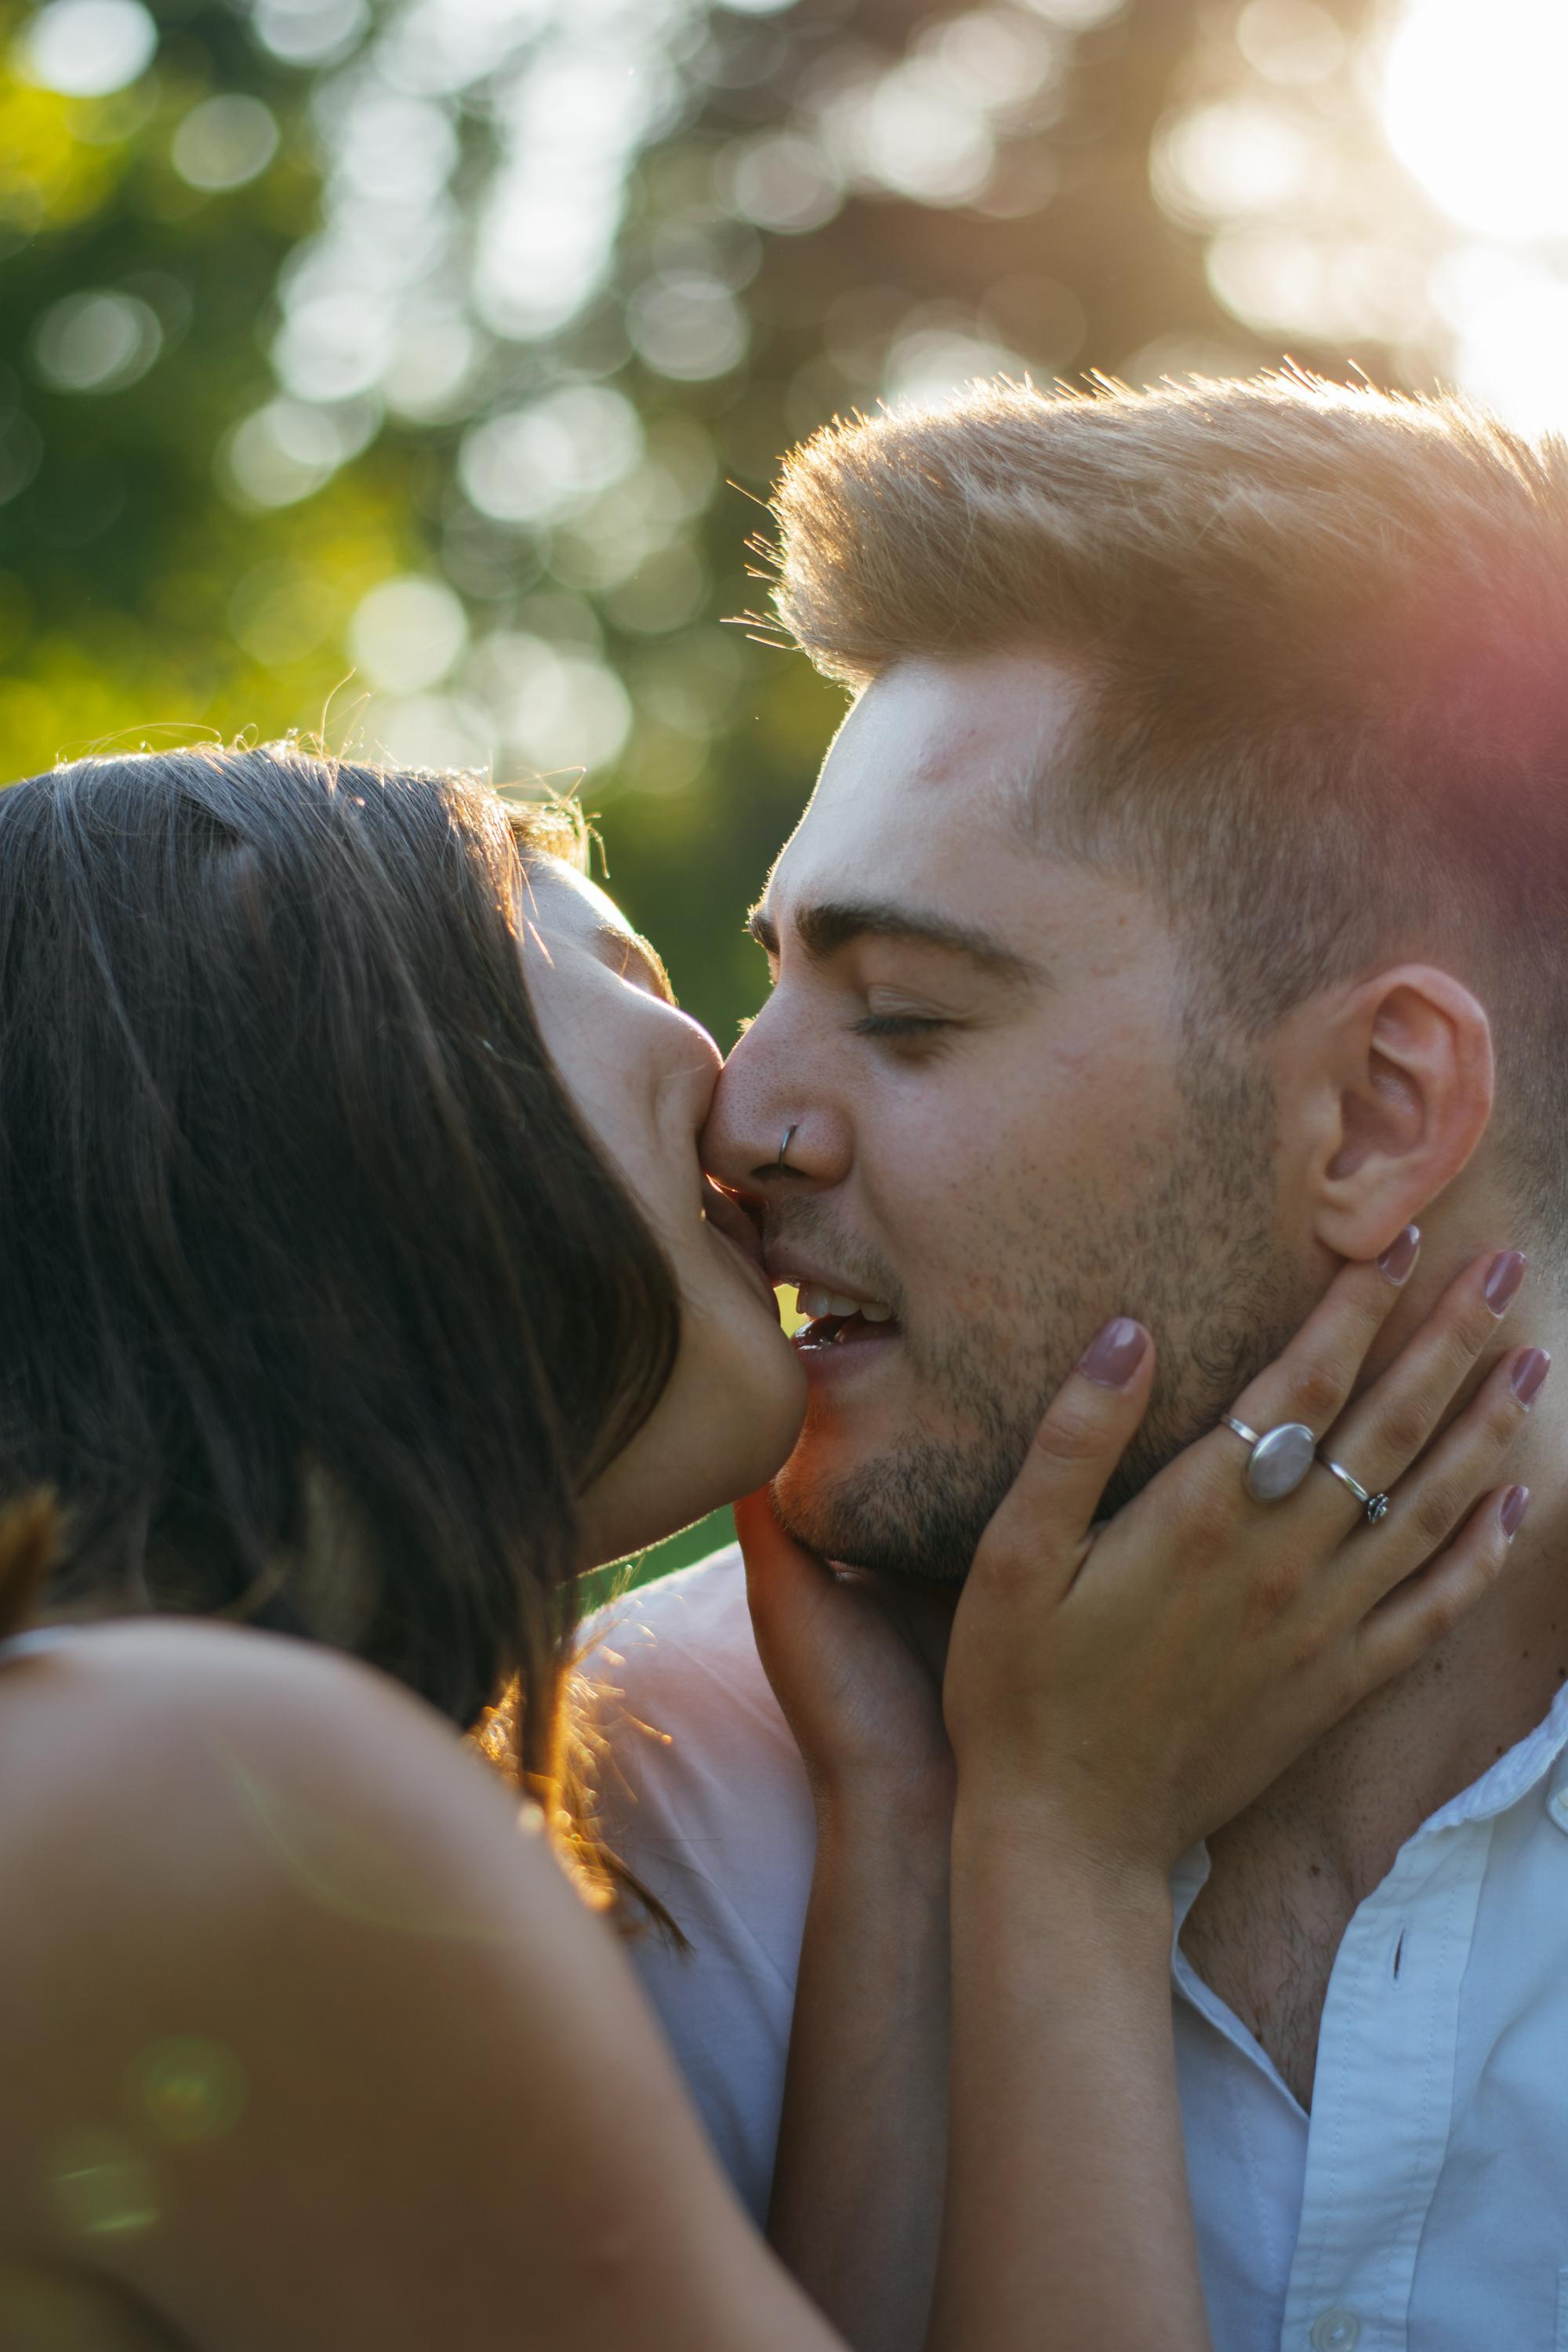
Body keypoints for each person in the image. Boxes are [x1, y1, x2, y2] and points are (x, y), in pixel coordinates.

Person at [0, 742, 1523, 2350]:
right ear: (305, 1051)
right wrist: (1069, 1850)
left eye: (907, 1018)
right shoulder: (221, 1800)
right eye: (624, 969)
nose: (747, 1119)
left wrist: (903, 1817)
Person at [586, 372, 1568, 2352]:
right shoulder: (641, 1797)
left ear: (1379, 1108)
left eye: (910, 1014)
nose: (739, 1119)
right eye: (772, 977)